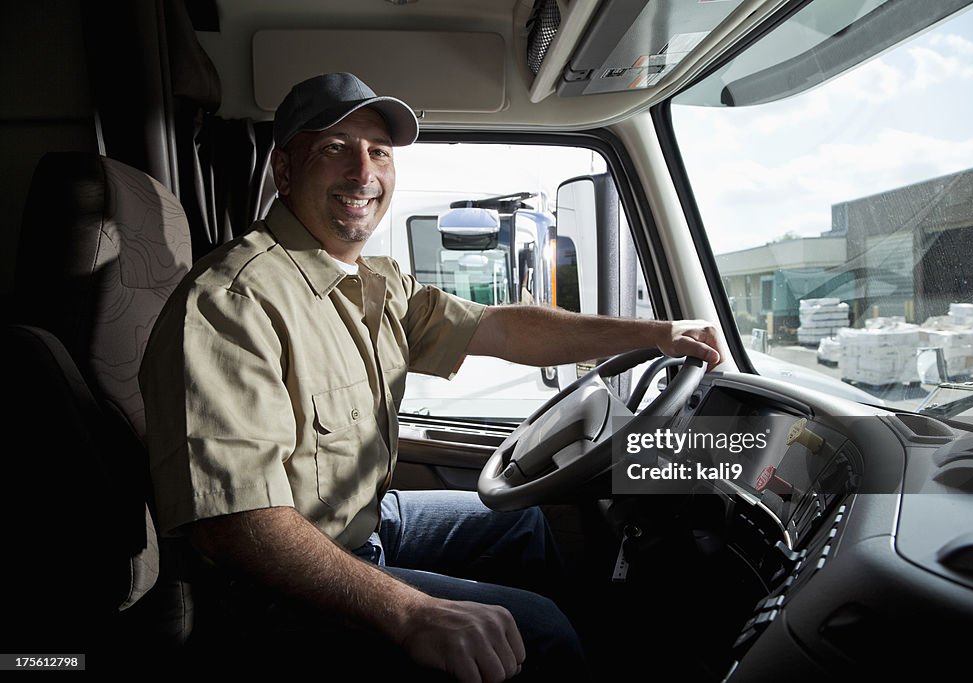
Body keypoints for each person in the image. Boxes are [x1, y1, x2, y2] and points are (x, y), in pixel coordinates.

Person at [140, 72, 723, 680]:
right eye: (335, 148)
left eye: (379, 152)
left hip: (364, 519)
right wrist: (412, 613)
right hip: (272, 591)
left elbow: (502, 328)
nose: (363, 173)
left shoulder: (376, 282)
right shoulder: (231, 303)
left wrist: (652, 334)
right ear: (285, 172)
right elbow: (235, 528)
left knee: (518, 523)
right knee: (542, 629)